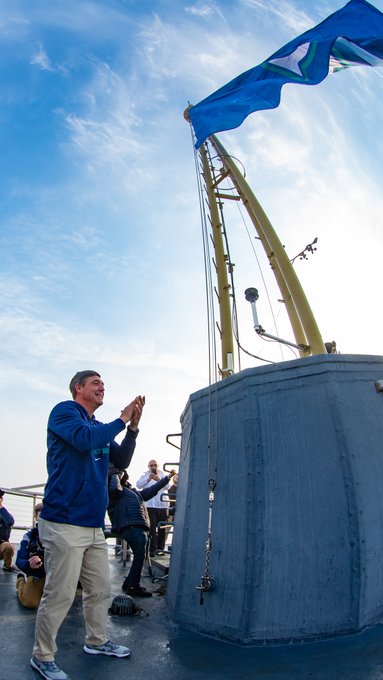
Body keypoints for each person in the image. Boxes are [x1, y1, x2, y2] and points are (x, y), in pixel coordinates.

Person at [31, 370, 145, 680]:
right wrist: (120, 420)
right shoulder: (65, 413)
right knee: (61, 594)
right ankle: (42, 655)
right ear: (78, 388)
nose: (102, 387)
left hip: (95, 525)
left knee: (99, 590)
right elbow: (84, 441)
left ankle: (96, 641)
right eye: (96, 383)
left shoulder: (98, 427)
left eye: (103, 384)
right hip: (64, 522)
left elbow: (119, 462)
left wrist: (131, 429)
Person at [108, 466, 176, 597]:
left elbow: (152, 490)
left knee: (140, 556)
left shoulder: (134, 493)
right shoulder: (117, 491)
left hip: (136, 526)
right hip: (130, 525)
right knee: (140, 556)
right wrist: (116, 473)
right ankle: (133, 586)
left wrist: (167, 478)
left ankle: (129, 583)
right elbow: (114, 488)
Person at [136, 460, 171, 556]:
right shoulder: (145, 475)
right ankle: (152, 549)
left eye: (155, 465)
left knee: (162, 528)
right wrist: (148, 479)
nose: (153, 466)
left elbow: (168, 486)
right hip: (150, 505)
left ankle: (160, 548)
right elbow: (138, 485)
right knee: (151, 528)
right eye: (151, 465)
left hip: (162, 505)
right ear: (148, 466)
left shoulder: (163, 474)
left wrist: (159, 479)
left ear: (158, 466)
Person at [16, 502, 45, 609]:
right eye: (41, 516)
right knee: (30, 602)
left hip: (57, 575)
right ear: (36, 518)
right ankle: (20, 581)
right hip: (39, 573)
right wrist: (29, 565)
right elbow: (19, 560)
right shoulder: (29, 537)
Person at [0, 489, 17, 572]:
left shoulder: (3, 513)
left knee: (8, 546)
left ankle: (7, 566)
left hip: (1, 546)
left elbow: (10, 522)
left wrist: (1, 507)